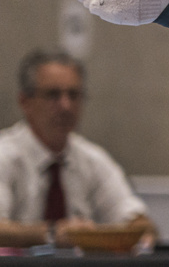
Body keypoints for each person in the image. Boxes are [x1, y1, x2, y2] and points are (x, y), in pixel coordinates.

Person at [0, 51, 155, 248]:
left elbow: (140, 223)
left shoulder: (93, 159)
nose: (66, 106)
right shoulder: (4, 156)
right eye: (53, 95)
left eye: (74, 95)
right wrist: (52, 234)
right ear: (25, 102)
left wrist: (139, 230)